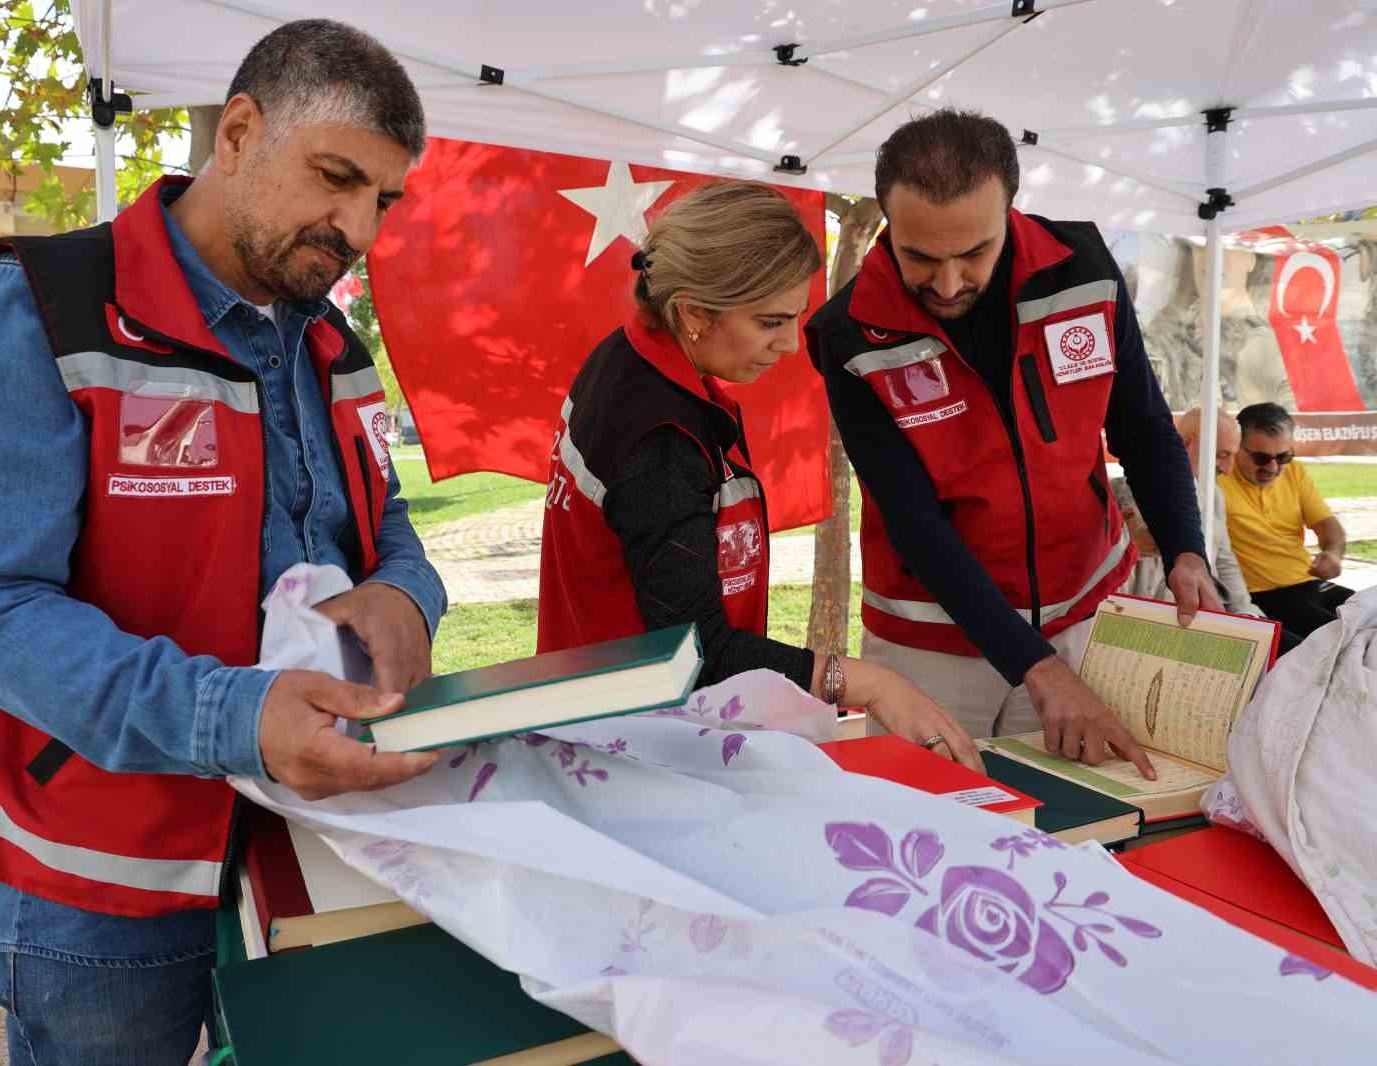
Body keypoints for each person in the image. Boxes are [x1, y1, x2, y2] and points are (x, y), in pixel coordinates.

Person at [0, 21, 446, 1064]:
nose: (359, 224)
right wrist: (236, 713)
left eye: (383, 200)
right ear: (236, 134)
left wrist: (408, 594)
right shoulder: (37, 306)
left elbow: (384, 520)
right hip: (95, 870)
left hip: (296, 834)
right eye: (336, 177)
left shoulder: (326, 335)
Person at [808, 109, 1224, 777]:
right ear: (886, 220)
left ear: (1011, 208)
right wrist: (1038, 668)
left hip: (1083, 618)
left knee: (1082, 822)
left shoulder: (1083, 268)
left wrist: (1186, 549)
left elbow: (1143, 424)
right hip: (929, 648)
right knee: (926, 831)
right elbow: (915, 524)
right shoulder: (851, 332)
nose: (948, 284)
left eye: (974, 251)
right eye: (920, 256)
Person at [538, 181, 982, 771]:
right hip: (633, 749)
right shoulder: (661, 438)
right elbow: (696, 651)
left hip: (614, 716)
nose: (791, 344)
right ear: (694, 312)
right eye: (770, 322)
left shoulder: (629, 359)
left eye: (795, 317)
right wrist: (873, 685)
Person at [1117, 406, 1285, 639]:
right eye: (1222, 455)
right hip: (1163, 626)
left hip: (1212, 616)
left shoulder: (1213, 495)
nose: (1228, 469)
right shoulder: (1132, 496)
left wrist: (1248, 615)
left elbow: (1225, 560)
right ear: (1187, 443)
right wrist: (1130, 547)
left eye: (1232, 456)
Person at [1220, 402, 1353, 642]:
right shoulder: (1217, 480)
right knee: (1344, 640)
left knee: (1367, 620)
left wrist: (1333, 552)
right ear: (1237, 446)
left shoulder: (1295, 472)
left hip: (1308, 582)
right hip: (1262, 594)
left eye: (1283, 456)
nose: (1273, 467)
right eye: (1262, 458)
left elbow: (1326, 525)